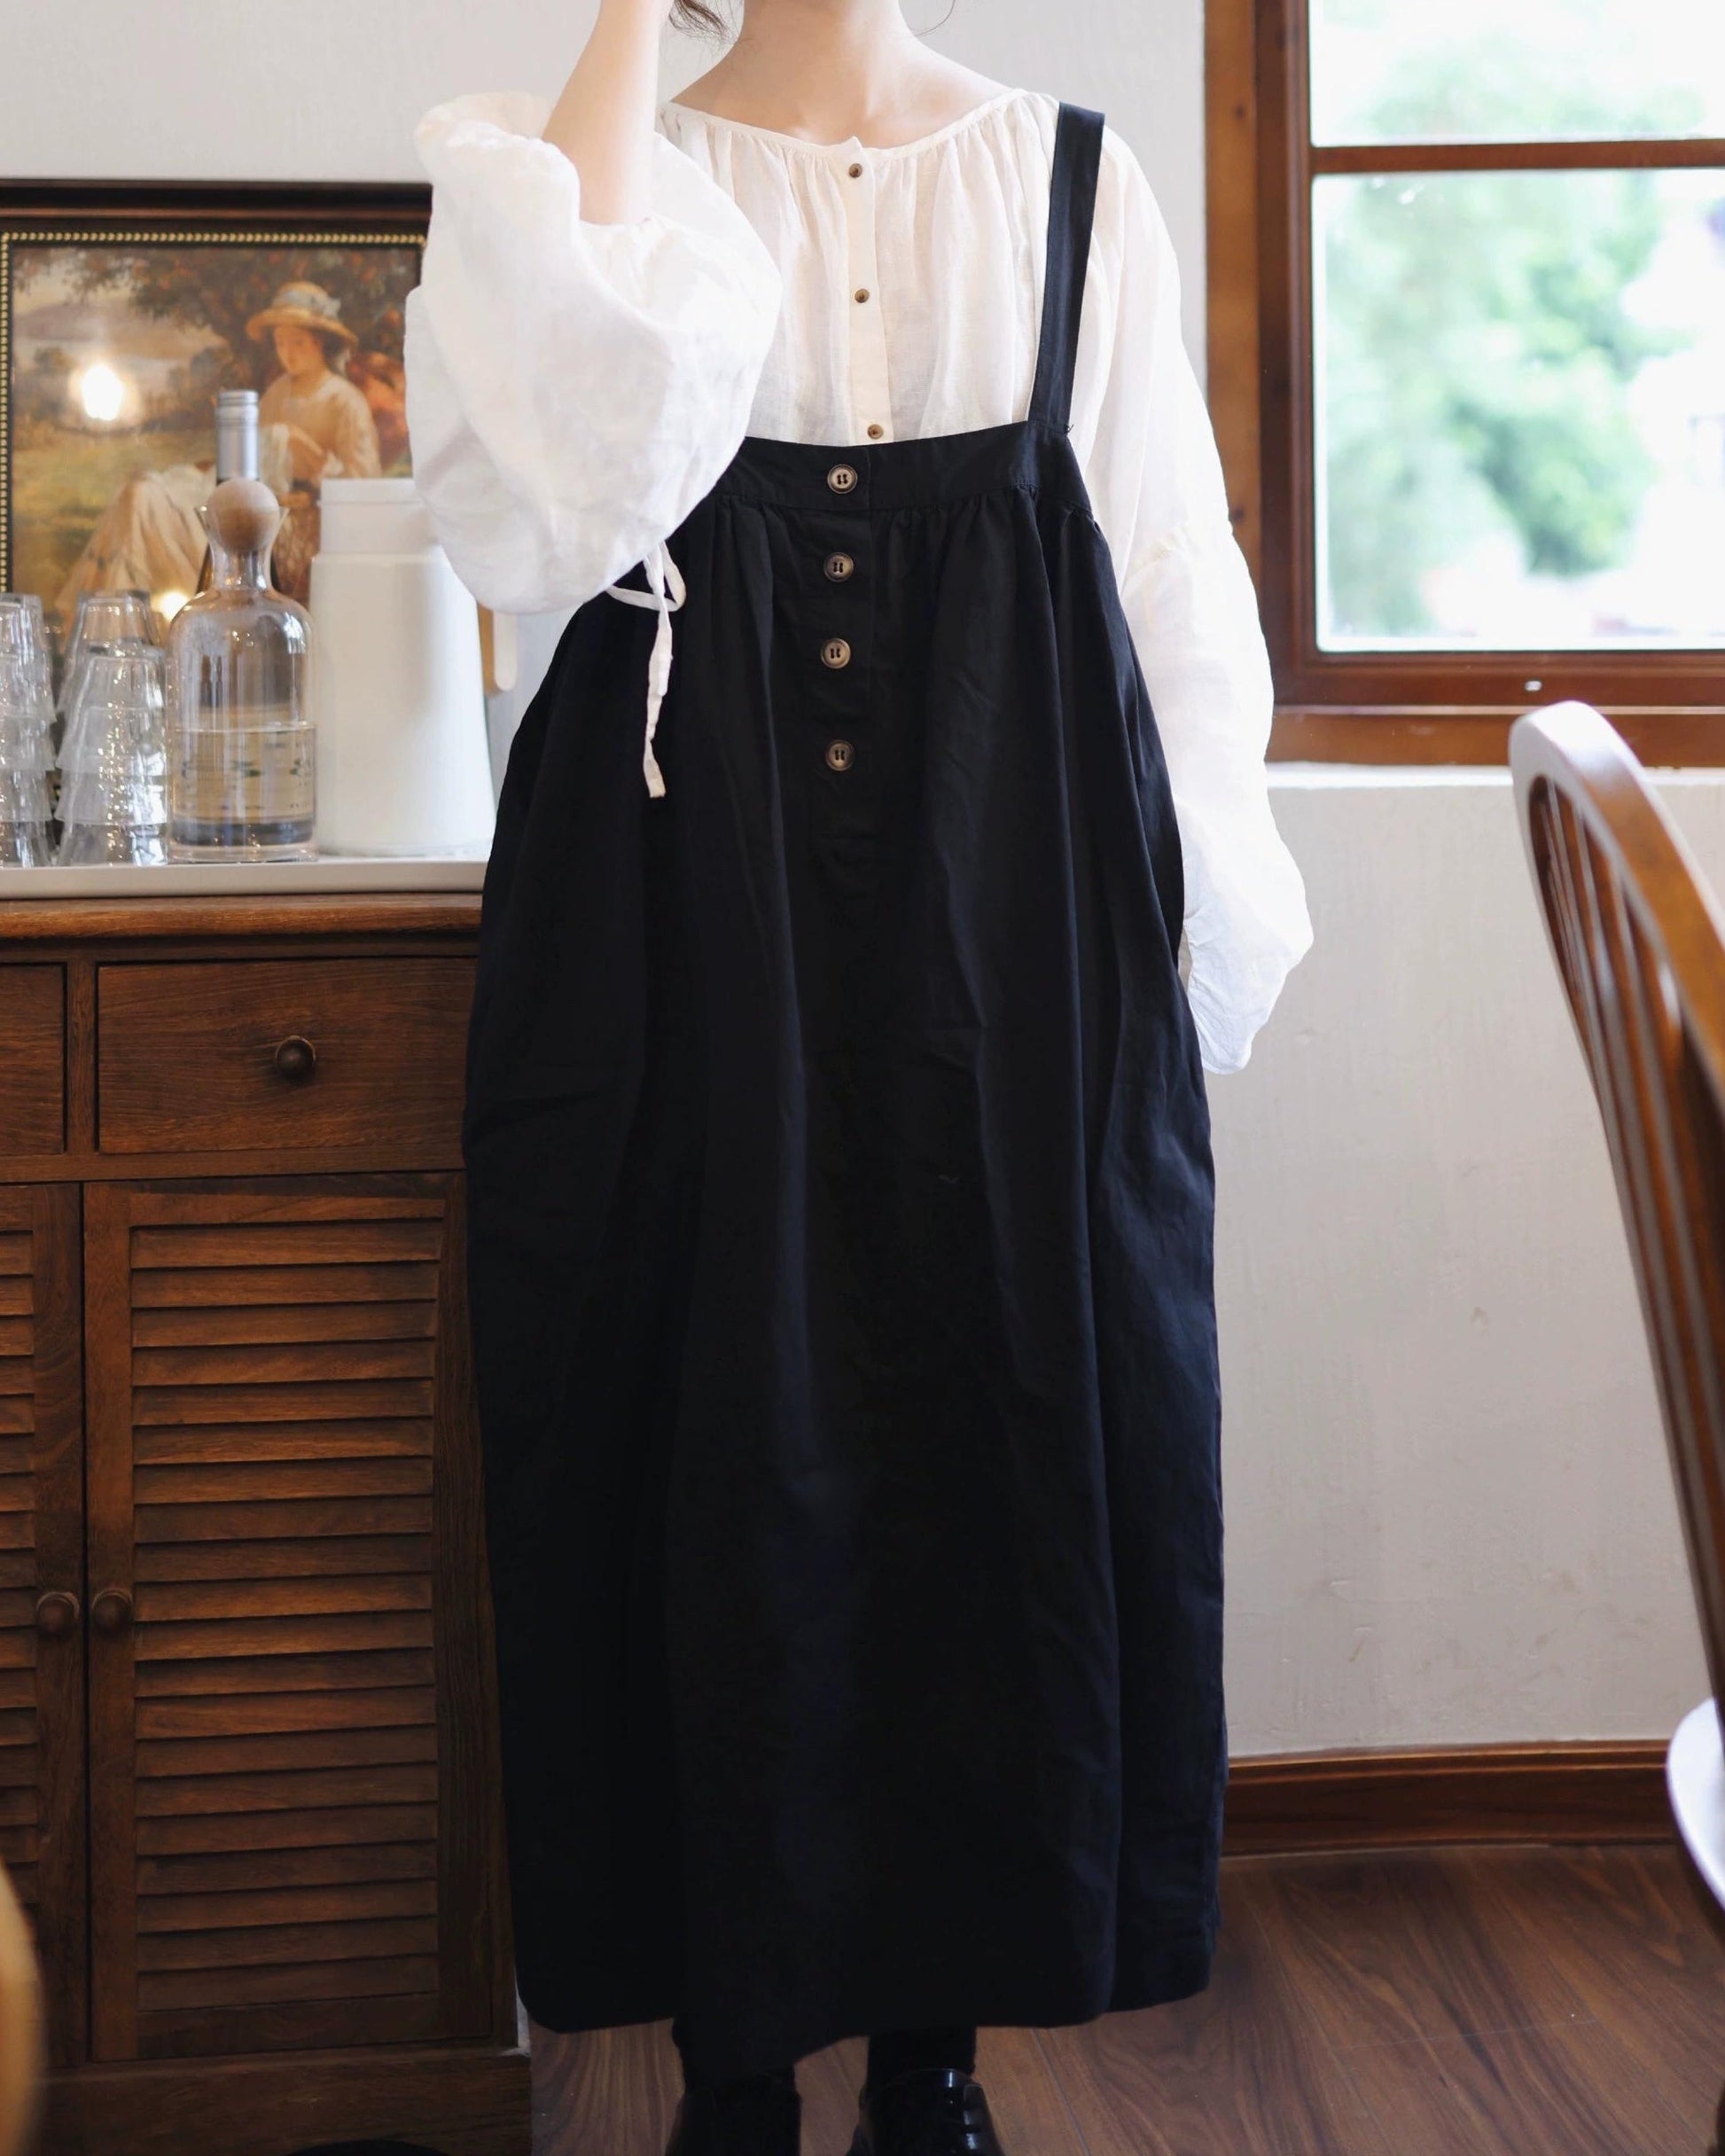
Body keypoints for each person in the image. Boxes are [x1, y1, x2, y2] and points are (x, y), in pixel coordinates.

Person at [402, 3, 1315, 2151]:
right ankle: (729, 2062)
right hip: (673, 904)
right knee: (696, 1428)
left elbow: (1170, 579)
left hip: (1016, 889)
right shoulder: (617, 180)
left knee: (987, 1427)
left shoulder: (1069, 176)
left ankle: (934, 2058)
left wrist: (1192, 943)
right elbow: (535, 511)